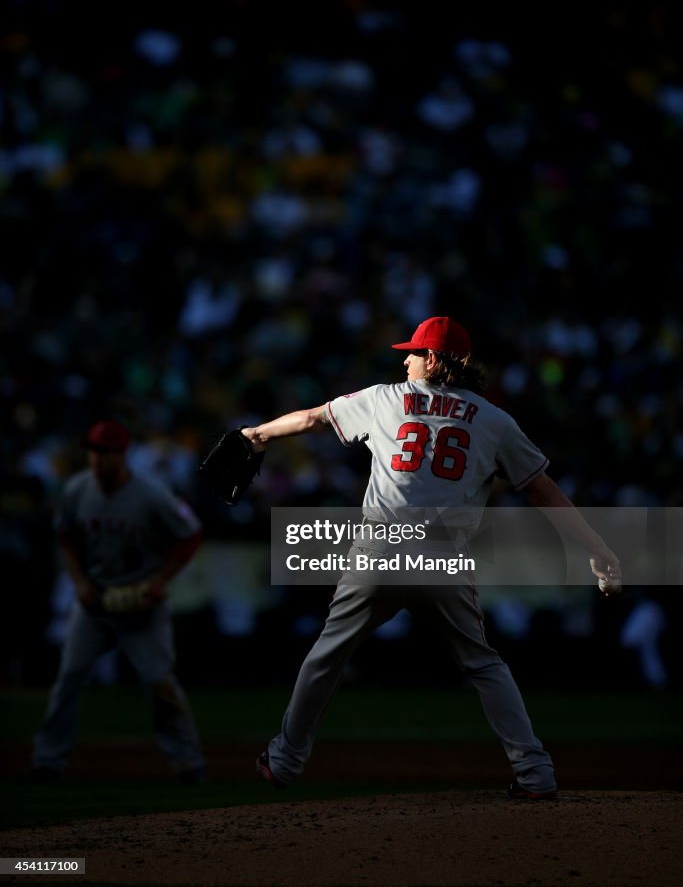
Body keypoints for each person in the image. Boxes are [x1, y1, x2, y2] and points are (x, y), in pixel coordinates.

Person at [241, 316, 622, 799]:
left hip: (379, 548)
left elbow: (313, 418)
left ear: (437, 360)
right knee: (483, 664)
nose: (405, 359)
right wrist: (597, 547)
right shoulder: (494, 420)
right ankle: (535, 773)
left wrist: (258, 434)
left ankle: (285, 761)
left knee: (327, 654)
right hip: (442, 555)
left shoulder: (383, 398)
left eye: (415, 352)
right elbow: (543, 491)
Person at [30, 419, 207, 784]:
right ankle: (47, 762)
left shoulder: (152, 493)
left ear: (123, 454)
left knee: (160, 682)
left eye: (106, 451)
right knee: (69, 678)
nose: (98, 458)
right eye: (94, 450)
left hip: (141, 603)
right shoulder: (77, 489)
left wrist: (159, 582)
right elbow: (64, 535)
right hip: (95, 602)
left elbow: (190, 535)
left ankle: (189, 764)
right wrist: (79, 582)